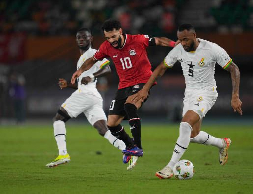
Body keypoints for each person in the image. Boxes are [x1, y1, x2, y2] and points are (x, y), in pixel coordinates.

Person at [131, 24, 242, 179]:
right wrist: (145, 89)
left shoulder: (211, 49)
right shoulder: (178, 49)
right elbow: (161, 68)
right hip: (189, 94)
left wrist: (235, 95)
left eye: (185, 39)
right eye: (180, 40)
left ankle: (169, 167)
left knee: (185, 124)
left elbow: (234, 69)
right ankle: (222, 143)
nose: (182, 43)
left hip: (206, 93)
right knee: (192, 135)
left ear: (194, 36)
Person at [71, 19, 176, 168]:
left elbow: (159, 40)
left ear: (120, 31)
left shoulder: (138, 40)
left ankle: (138, 147)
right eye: (108, 38)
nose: (111, 41)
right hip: (124, 86)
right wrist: (80, 70)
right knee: (112, 123)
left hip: (143, 81)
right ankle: (130, 146)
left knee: (130, 105)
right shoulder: (106, 47)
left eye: (113, 36)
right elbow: (93, 59)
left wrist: (174, 45)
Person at [46, 28, 126, 168]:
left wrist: (92, 76)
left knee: (59, 119)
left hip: (87, 94)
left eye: (84, 37)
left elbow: (107, 68)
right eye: (79, 37)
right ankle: (126, 149)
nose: (81, 39)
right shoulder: (81, 59)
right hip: (92, 95)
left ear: (91, 39)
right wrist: (68, 85)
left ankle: (63, 153)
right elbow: (82, 84)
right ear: (76, 40)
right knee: (103, 129)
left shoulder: (93, 53)